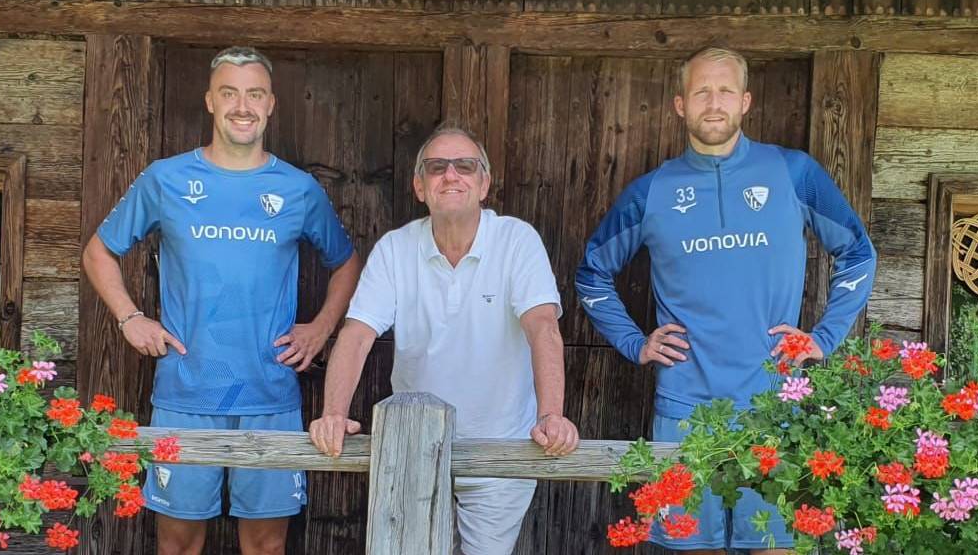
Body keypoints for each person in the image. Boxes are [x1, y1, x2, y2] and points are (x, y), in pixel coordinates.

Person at [576, 47, 877, 554]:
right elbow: (591, 274)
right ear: (679, 104)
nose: (712, 102)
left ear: (745, 101)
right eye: (700, 91)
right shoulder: (652, 192)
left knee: (776, 546)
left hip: (776, 407)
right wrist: (634, 342)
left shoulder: (793, 173)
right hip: (685, 408)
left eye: (724, 90)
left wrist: (823, 338)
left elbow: (858, 253)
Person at [83, 46, 364, 555]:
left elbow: (346, 263)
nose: (243, 105)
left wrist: (320, 328)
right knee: (179, 545)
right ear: (210, 101)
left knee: (265, 546)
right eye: (230, 93)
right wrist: (130, 318)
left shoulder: (297, 189)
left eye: (254, 94)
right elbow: (99, 251)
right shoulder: (165, 179)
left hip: (270, 395)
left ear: (271, 104)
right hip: (186, 395)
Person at [307, 125, 580, 555]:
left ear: (484, 183)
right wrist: (333, 414)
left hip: (500, 446)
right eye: (436, 168)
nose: (451, 176)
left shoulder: (516, 240)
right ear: (419, 186)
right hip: (417, 445)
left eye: (465, 166)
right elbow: (357, 334)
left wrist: (552, 416)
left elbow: (542, 326)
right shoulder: (395, 248)